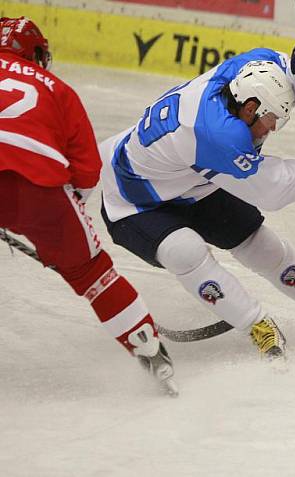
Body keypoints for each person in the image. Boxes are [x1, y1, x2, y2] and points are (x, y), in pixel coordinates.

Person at [97, 38, 295, 358]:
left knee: (260, 244)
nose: (272, 128)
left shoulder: (243, 76)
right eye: (269, 121)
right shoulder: (218, 136)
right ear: (250, 109)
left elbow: (286, 74)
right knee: (186, 252)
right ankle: (256, 325)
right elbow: (272, 191)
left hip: (187, 179)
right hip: (134, 203)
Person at [0, 17, 177, 395]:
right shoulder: (57, 89)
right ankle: (151, 354)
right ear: (36, 54)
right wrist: (60, 231)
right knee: (94, 275)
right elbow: (85, 173)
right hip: (40, 189)